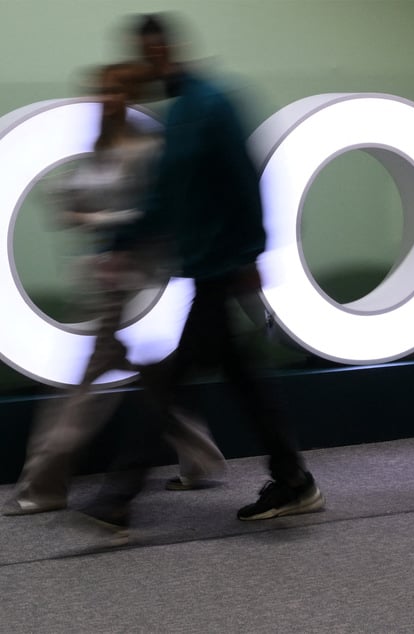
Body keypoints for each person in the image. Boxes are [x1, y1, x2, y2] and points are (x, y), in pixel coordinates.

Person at [79, 13, 323, 537]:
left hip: (220, 270)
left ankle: (118, 497)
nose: (151, 63)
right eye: (146, 55)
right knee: (247, 382)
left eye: (156, 51)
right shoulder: (180, 114)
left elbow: (243, 179)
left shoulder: (212, 104)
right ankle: (294, 479)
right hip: (204, 271)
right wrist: (119, 244)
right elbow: (163, 200)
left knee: (166, 382)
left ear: (169, 50)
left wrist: (251, 252)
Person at [2, 62, 225, 517]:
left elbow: (151, 216)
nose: (106, 99)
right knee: (146, 374)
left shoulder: (146, 151)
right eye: (101, 91)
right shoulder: (102, 148)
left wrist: (98, 220)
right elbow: (73, 204)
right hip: (108, 280)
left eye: (116, 91)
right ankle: (203, 459)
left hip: (131, 281)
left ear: (131, 98)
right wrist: (82, 211)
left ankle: (42, 486)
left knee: (83, 390)